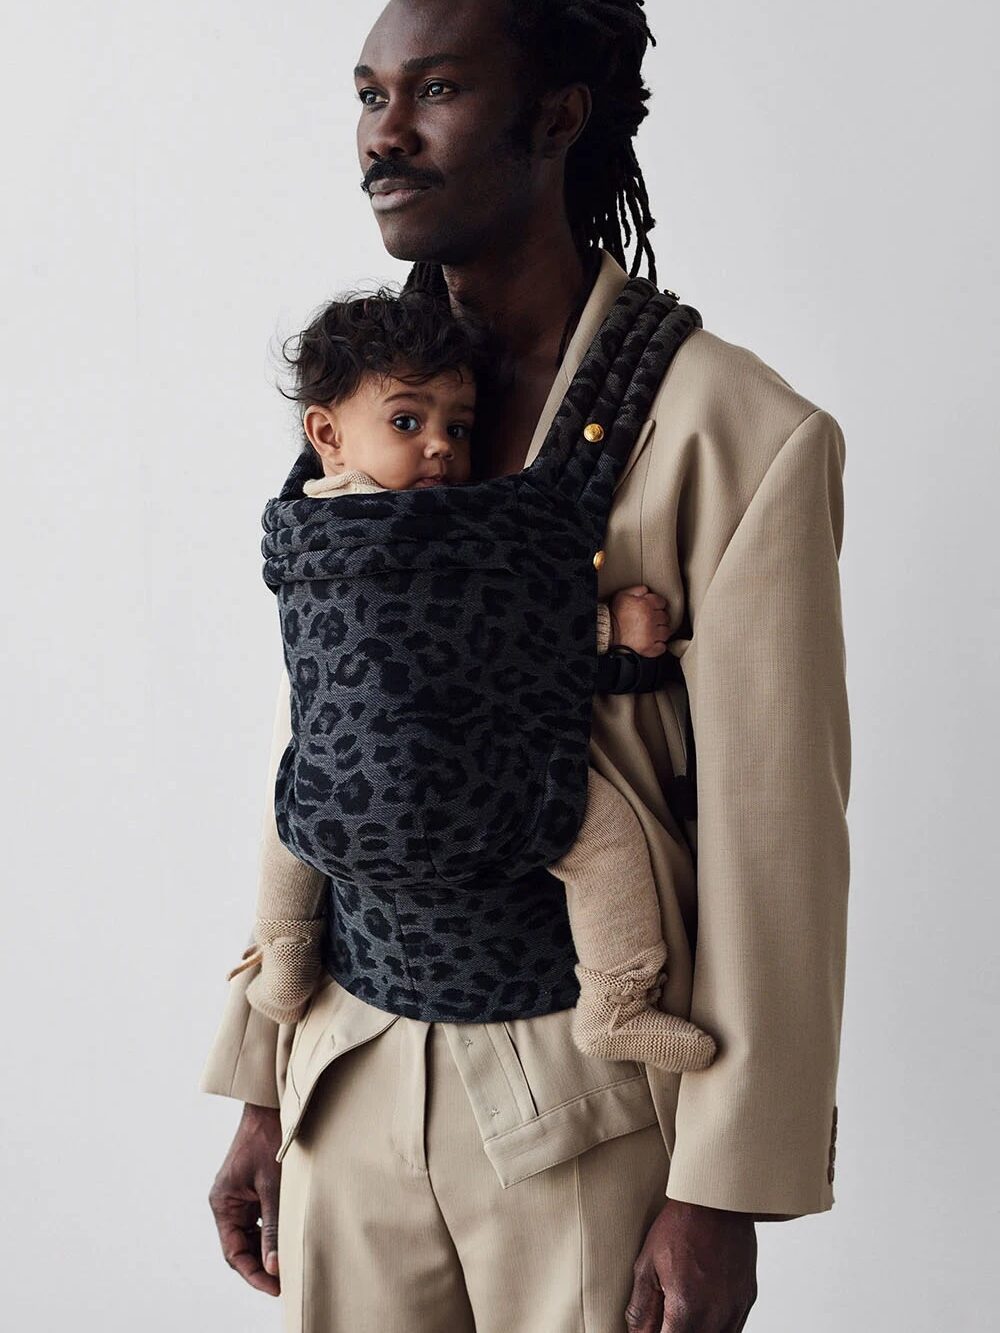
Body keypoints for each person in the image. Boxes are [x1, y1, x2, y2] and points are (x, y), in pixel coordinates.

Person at [203, 2, 850, 1330]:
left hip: (590, 1109)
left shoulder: (739, 430)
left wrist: (723, 1184)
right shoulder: (360, 399)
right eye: (370, 94)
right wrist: (263, 1081)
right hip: (348, 1075)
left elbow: (778, 841)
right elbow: (325, 734)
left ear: (557, 116)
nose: (386, 135)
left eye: (434, 89)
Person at [234, 285, 718, 1075]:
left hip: (343, 794)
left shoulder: (302, 534)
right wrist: (609, 633)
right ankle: (617, 999)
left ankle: (284, 957)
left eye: (456, 427)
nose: (439, 448)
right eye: (406, 421)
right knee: (599, 832)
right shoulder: (426, 535)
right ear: (327, 434)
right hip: (475, 784)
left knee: (290, 805)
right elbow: (490, 640)